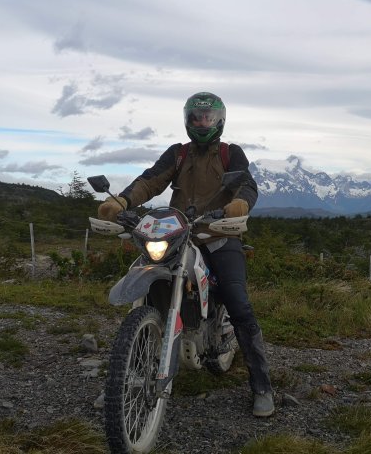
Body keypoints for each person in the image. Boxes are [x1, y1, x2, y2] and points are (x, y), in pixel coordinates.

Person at [96, 92, 275, 418]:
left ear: (219, 120)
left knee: (238, 304)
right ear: (187, 120)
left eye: (207, 117)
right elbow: (151, 180)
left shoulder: (229, 153)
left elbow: (246, 184)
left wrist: (240, 204)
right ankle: (125, 379)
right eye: (196, 117)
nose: (201, 123)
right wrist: (122, 202)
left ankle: (261, 385)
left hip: (219, 235)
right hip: (177, 234)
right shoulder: (178, 154)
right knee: (148, 294)